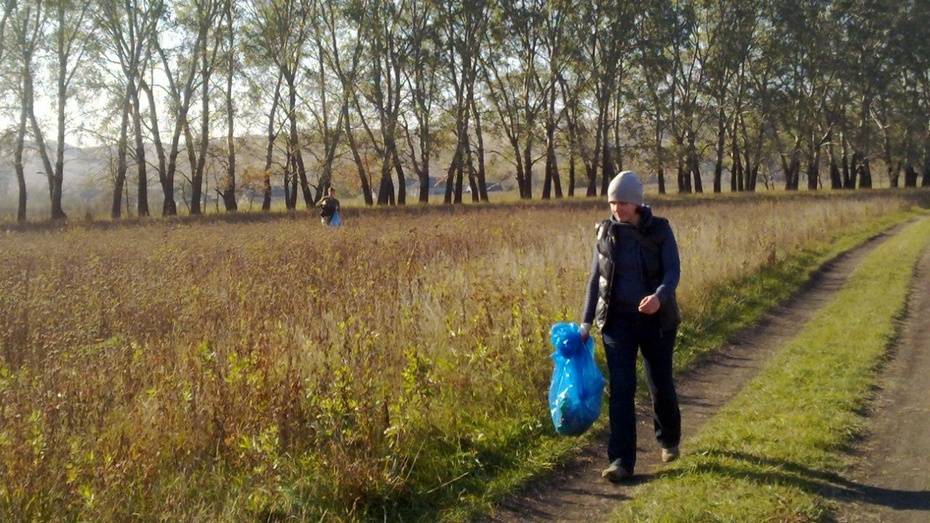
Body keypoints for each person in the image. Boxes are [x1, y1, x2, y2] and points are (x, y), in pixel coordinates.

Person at [579, 170, 682, 483]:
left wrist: (658, 298)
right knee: (622, 390)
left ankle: (668, 440)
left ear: (637, 203)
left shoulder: (660, 230)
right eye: (612, 202)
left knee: (659, 383)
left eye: (622, 202)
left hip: (656, 321)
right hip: (616, 322)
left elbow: (673, 272)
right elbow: (594, 280)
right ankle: (621, 461)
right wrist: (585, 321)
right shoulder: (604, 232)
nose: (616, 209)